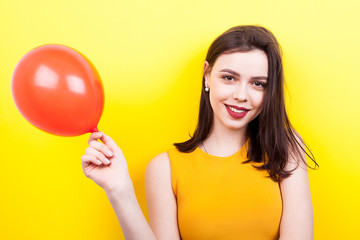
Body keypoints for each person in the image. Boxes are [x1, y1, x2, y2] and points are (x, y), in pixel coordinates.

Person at [81, 25, 318, 240]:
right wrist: (119, 189)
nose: (241, 95)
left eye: (258, 83)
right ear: (207, 74)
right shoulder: (165, 169)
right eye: (229, 78)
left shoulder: (285, 148)